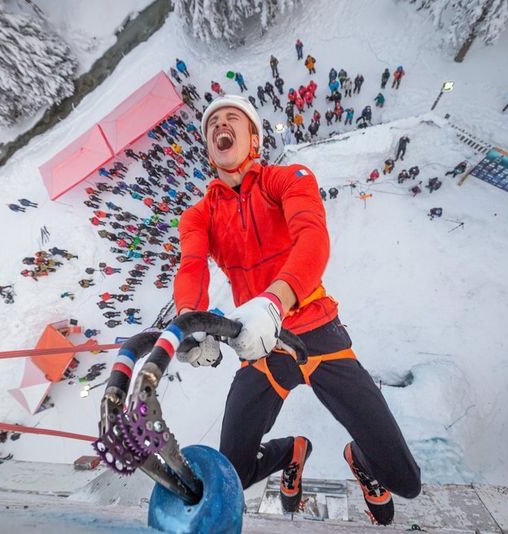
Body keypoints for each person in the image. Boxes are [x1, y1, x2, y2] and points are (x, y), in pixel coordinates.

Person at [173, 94, 420, 522]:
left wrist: (275, 300)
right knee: (232, 470)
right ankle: (291, 452)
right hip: (260, 343)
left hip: (316, 330)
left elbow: (312, 237)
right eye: (212, 124)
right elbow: (192, 266)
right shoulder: (199, 215)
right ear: (210, 147)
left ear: (254, 139)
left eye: (232, 119)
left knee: (405, 479)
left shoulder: (288, 178)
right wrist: (190, 321)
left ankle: (361, 459)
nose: (219, 126)